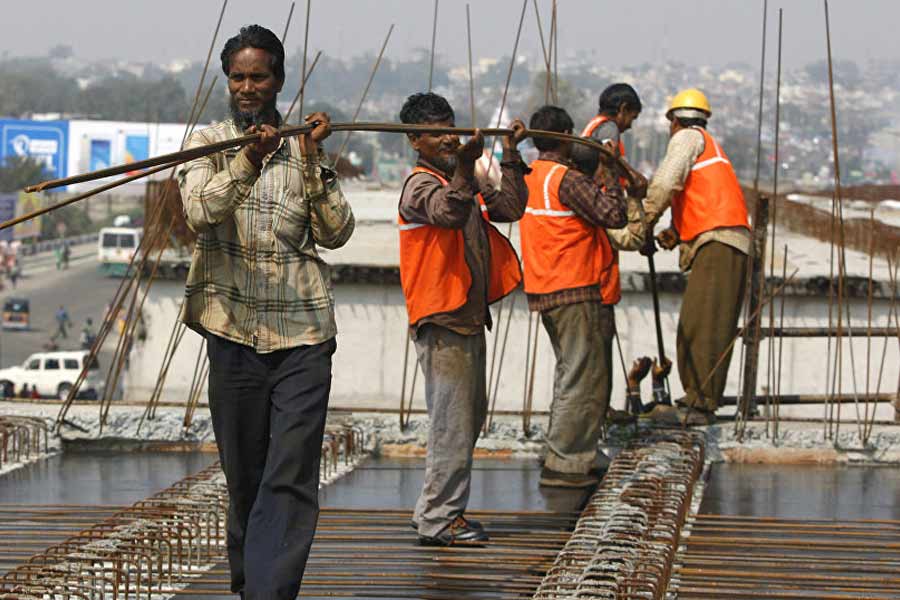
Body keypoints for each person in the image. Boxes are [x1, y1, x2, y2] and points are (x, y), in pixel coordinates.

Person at [178, 24, 354, 599]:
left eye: (259, 76)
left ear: (278, 81)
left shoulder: (304, 146)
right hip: (232, 335)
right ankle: (251, 580)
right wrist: (248, 160)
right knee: (246, 477)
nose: (248, 86)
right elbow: (202, 212)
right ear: (227, 82)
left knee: (291, 476)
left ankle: (269, 593)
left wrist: (313, 159)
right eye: (238, 77)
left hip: (303, 335)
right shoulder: (205, 145)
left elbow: (336, 233)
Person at [397, 92, 527, 546]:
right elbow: (448, 213)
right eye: (436, 132)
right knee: (452, 424)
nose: (448, 137)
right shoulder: (418, 184)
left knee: (466, 420)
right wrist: (464, 169)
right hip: (442, 316)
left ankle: (434, 510)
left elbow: (510, 208)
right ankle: (439, 519)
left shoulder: (463, 175)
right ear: (415, 140)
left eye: (450, 126)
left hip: (467, 315)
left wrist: (510, 155)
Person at [518, 105, 628, 488]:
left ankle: (576, 450)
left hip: (546, 285)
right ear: (566, 136)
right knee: (580, 376)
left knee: (575, 371)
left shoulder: (530, 175)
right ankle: (565, 462)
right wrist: (612, 174)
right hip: (573, 286)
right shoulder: (563, 178)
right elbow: (613, 214)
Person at [642, 89, 750, 426]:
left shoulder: (688, 138)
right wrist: (675, 231)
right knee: (697, 323)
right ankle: (697, 399)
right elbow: (694, 195)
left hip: (720, 240)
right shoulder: (705, 144)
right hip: (717, 240)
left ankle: (699, 403)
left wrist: (644, 218)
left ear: (674, 121)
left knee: (705, 326)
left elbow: (666, 181)